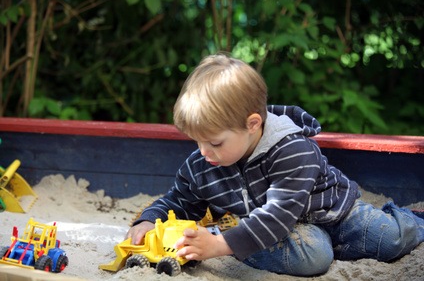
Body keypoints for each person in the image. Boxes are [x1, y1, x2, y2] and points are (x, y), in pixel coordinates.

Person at [126, 53, 424, 276]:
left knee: (394, 238)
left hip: (335, 213)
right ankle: (240, 241)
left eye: (214, 142)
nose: (204, 152)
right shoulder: (203, 164)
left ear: (252, 124)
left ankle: (414, 217)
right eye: (196, 141)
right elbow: (179, 200)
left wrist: (219, 246)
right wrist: (148, 220)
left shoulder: (292, 150)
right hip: (288, 235)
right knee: (315, 257)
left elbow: (278, 212)